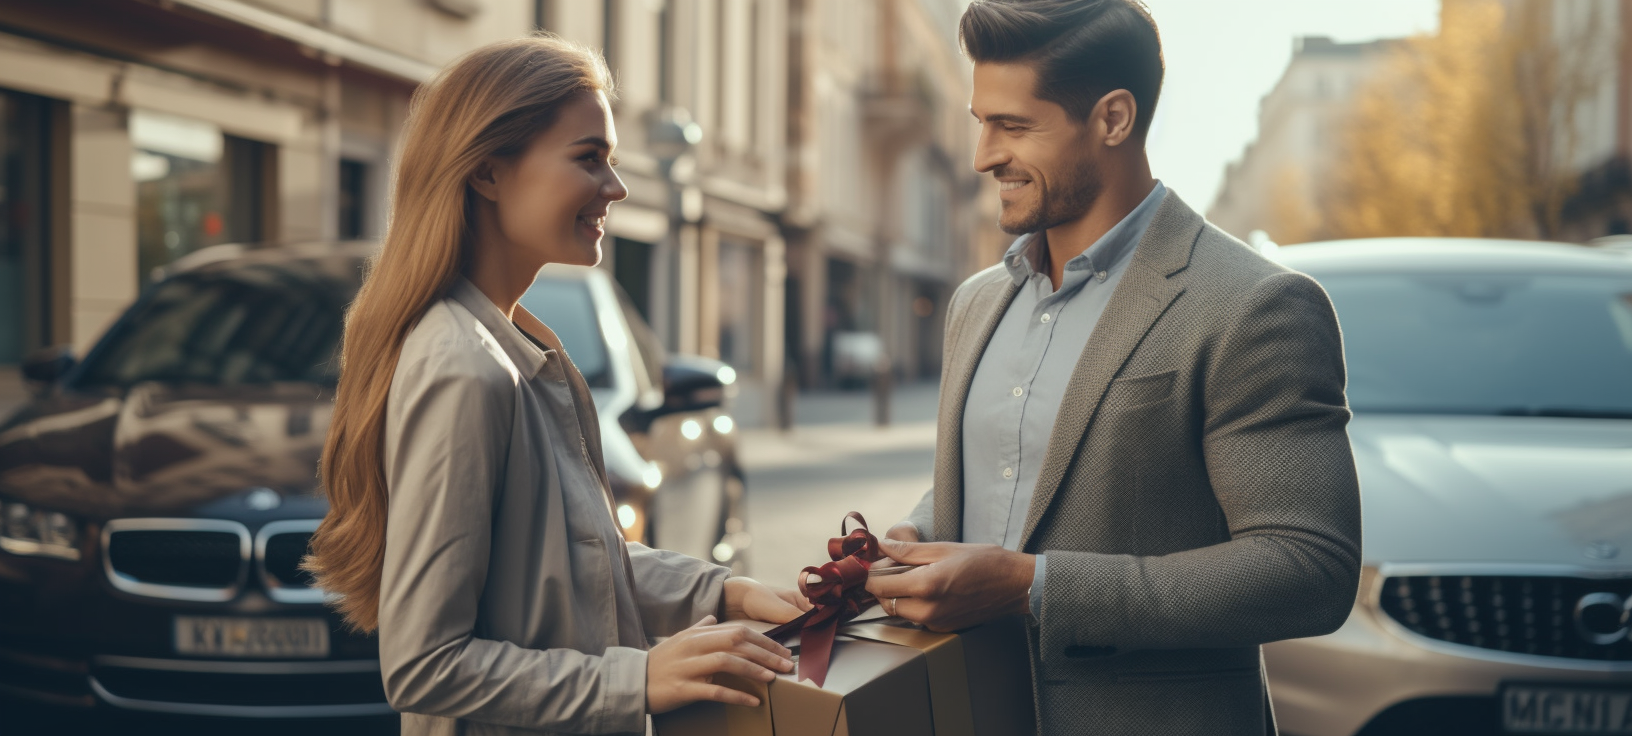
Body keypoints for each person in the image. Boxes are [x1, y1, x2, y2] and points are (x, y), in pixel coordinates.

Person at [864, 2, 1362, 734]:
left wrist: (1033, 589)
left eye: (1014, 125)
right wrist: (915, 535)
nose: (982, 154)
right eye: (981, 120)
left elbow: (1307, 568)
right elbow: (1009, 482)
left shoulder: (1254, 305)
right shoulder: (977, 303)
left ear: (1114, 119)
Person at [303, 35, 807, 736]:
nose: (617, 188)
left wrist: (724, 592)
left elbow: (575, 560)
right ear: (486, 172)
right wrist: (638, 678)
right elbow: (423, 664)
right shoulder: (462, 366)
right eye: (588, 158)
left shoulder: (518, 347)